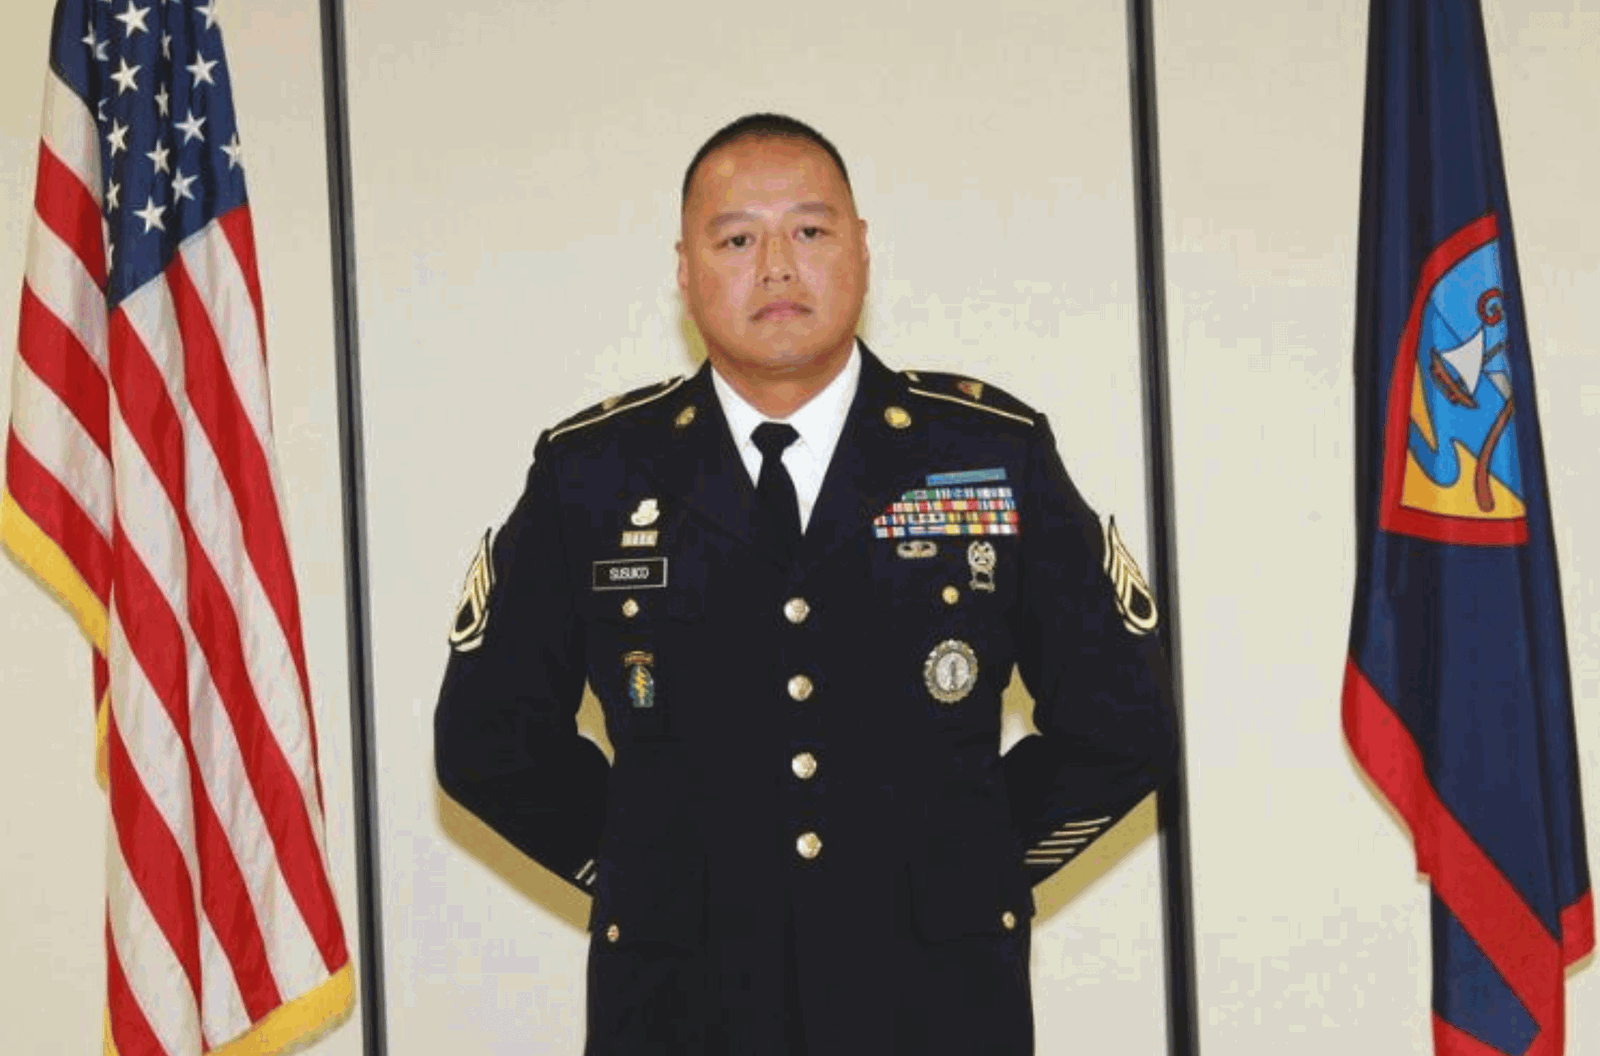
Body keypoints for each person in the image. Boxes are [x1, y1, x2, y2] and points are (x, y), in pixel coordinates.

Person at [433, 113, 1178, 1056]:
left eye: (811, 232)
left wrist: (971, 869)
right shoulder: (592, 475)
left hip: (935, 1006)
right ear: (684, 267)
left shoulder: (989, 454)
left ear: (863, 251)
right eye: (738, 238)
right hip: (681, 1009)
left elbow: (1125, 724)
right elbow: (484, 742)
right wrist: (644, 877)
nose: (777, 267)